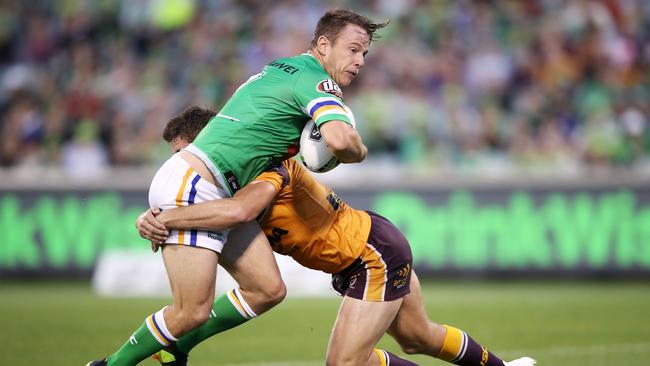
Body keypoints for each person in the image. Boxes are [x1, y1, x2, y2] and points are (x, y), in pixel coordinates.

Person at [87, 9, 386, 366]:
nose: (359, 61)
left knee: (267, 290)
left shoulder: (283, 67)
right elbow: (339, 141)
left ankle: (175, 349)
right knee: (190, 312)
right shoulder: (316, 81)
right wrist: (359, 149)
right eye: (353, 50)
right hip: (198, 184)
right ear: (324, 44)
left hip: (211, 185)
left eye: (364, 54)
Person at [138, 107, 537, 366]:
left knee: (346, 363)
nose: (181, 167)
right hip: (370, 244)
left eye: (184, 154)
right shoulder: (223, 186)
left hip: (370, 255)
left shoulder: (264, 169)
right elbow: (210, 221)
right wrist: (159, 219)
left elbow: (237, 212)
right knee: (418, 337)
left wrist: (164, 217)